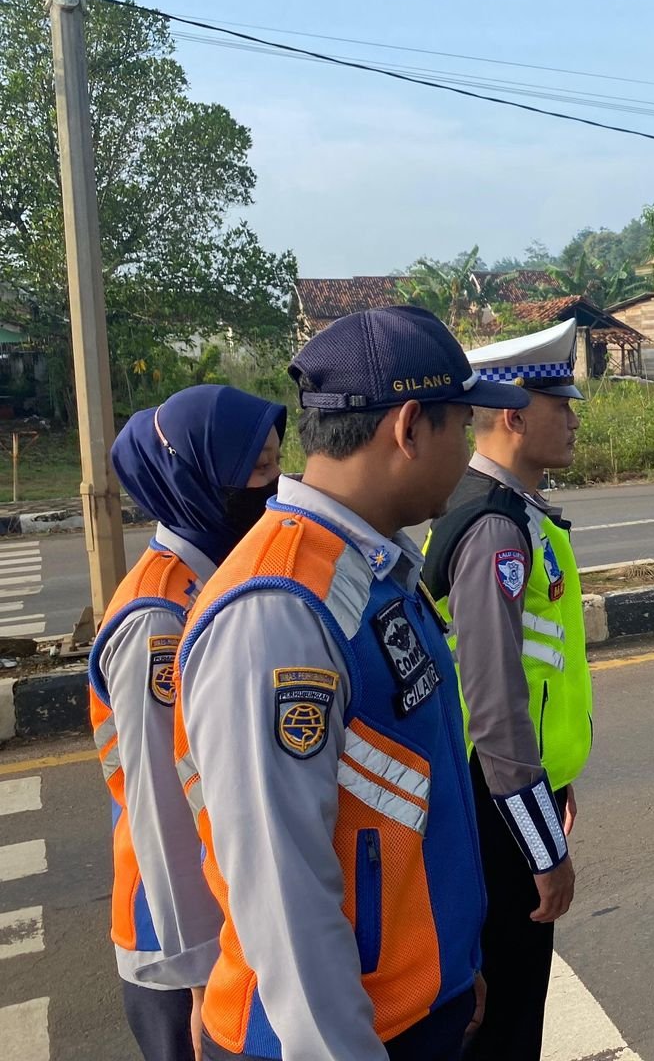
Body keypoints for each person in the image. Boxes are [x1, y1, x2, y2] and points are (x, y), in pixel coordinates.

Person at [171, 306, 529, 1061]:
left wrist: (452, 969)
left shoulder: (370, 569)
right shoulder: (277, 611)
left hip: (413, 1010)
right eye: (461, 426)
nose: (469, 450)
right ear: (407, 428)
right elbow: (284, 899)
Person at [88, 385, 285, 1061]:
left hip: (227, 920)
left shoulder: (215, 580)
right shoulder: (157, 619)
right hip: (179, 944)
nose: (275, 483)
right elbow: (162, 811)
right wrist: (201, 975)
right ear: (195, 476)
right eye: (257, 469)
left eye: (276, 462)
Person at [420, 320, 593, 1059]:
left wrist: (556, 777)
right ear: (516, 417)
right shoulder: (495, 529)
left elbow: (538, 674)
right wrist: (542, 847)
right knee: (507, 1017)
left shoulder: (513, 512)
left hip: (514, 790)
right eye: (563, 406)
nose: (576, 419)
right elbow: (493, 704)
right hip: (494, 805)